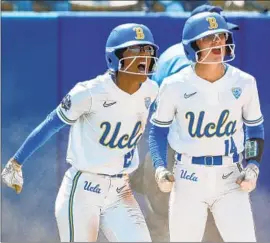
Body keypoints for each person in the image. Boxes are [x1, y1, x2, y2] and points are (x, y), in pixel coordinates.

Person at [1, 23, 159, 242]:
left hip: (120, 190)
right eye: (135, 50)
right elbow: (50, 123)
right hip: (83, 190)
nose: (144, 56)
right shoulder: (89, 92)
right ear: (115, 57)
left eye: (148, 50)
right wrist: (16, 161)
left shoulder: (152, 90)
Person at [149, 11, 264, 242]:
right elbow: (158, 131)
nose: (218, 42)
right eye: (208, 37)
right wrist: (160, 167)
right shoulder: (174, 85)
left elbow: (254, 130)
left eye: (221, 36)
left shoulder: (245, 82)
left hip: (230, 175)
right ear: (192, 45)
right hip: (187, 176)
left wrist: (252, 165)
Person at [152, 4, 239, 86]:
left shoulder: (176, 51)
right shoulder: (187, 61)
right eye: (211, 35)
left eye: (222, 34)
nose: (218, 40)